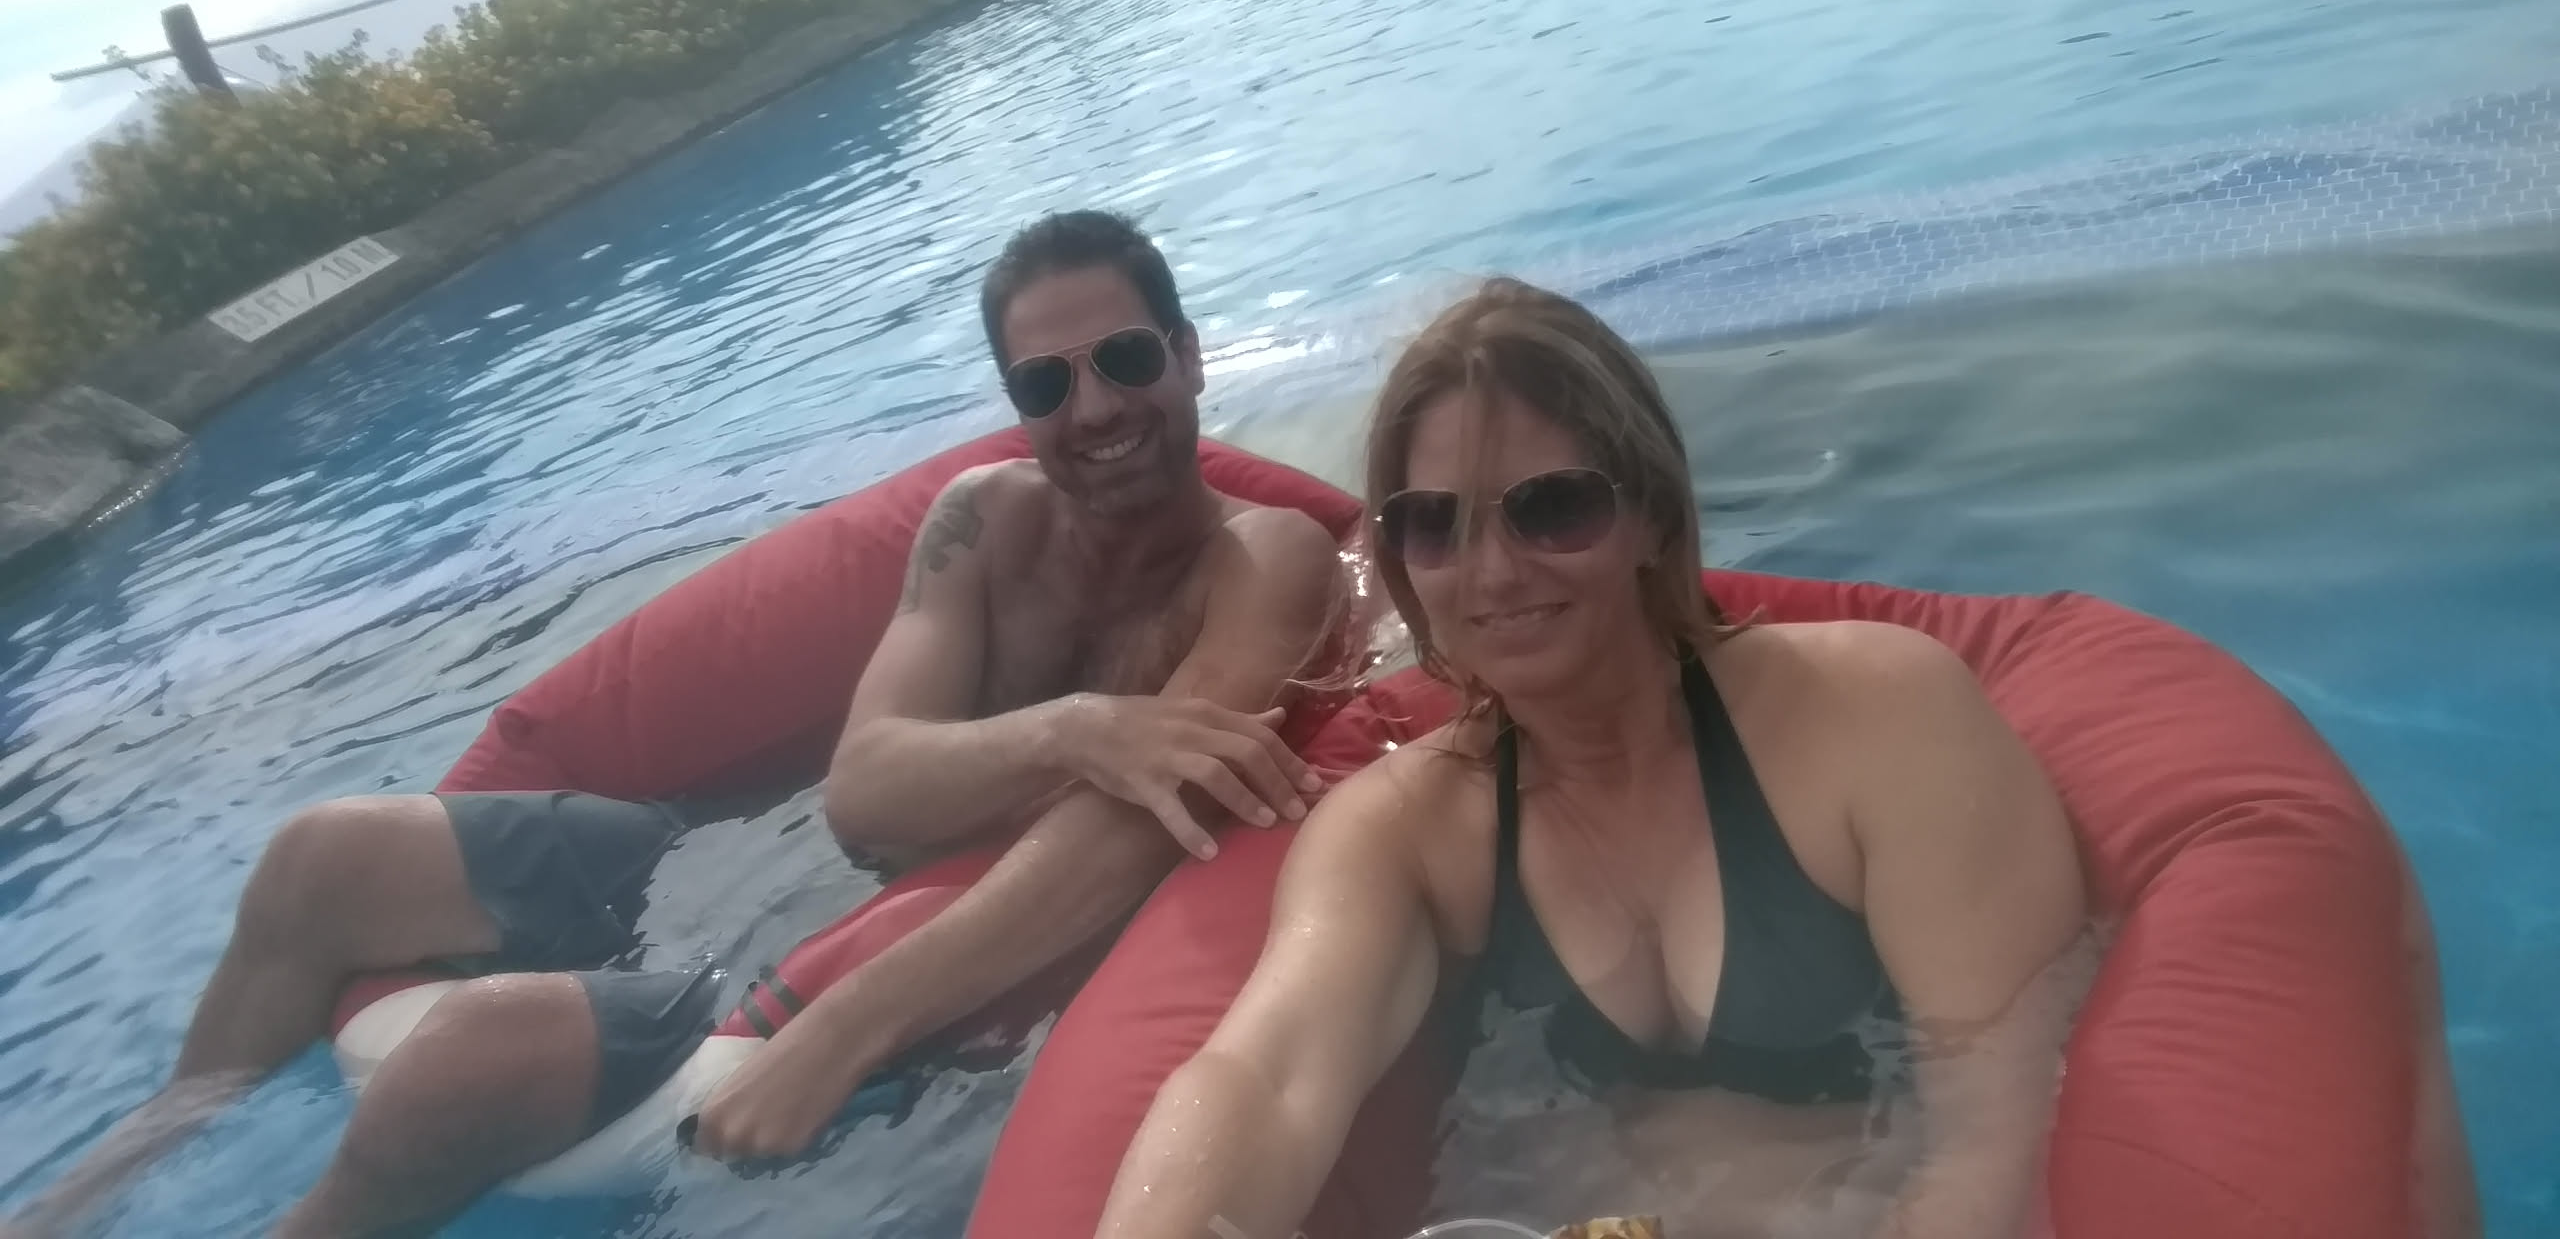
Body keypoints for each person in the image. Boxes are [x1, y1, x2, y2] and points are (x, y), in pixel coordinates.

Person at [4, 211, 1350, 1237]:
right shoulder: (982, 521)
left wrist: (839, 1034)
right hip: (772, 866)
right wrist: (1074, 727)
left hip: (906, 946)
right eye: (1045, 385)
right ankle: (109, 1177)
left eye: (1125, 360)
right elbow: (863, 791)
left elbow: (1129, 835)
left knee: (469, 1063)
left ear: (1187, 356)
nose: (1094, 409)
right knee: (321, 859)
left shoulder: (1262, 560)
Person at [1097, 277, 2091, 1239]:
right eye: (1433, 525)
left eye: (1551, 508)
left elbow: (1997, 1130)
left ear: (1650, 513)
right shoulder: (1406, 833)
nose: (1493, 571)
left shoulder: (1876, 718)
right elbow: (1263, 1079)